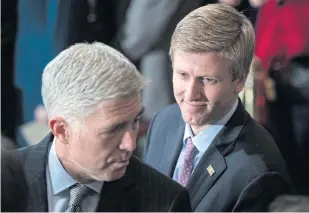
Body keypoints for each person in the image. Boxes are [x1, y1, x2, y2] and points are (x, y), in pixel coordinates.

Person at [144, 3, 291, 211]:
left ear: (239, 81)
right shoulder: (163, 122)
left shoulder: (258, 173)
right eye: (182, 75)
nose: (190, 93)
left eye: (207, 79)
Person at [12, 42, 192, 212]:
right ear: (61, 130)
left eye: (135, 121)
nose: (130, 144)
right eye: (113, 130)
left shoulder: (166, 202)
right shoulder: (5, 182)